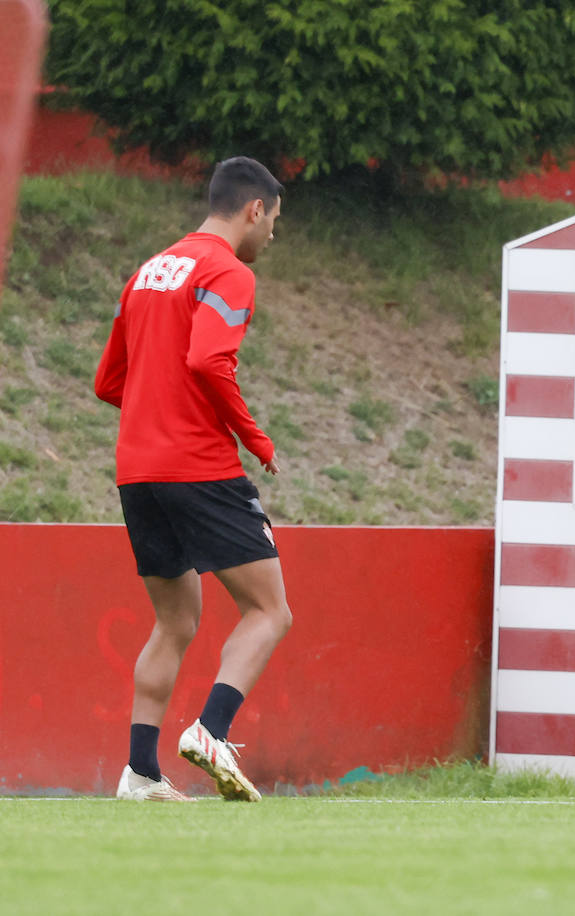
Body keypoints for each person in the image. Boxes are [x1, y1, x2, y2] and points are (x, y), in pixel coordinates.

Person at [94, 156, 293, 802]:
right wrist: (254, 437)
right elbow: (209, 358)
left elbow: (107, 383)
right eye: (275, 222)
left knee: (176, 620)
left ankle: (140, 773)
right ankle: (210, 731)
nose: (272, 237)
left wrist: (157, 411)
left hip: (137, 472)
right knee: (268, 609)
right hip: (197, 466)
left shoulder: (148, 271)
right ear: (254, 210)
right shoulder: (226, 272)